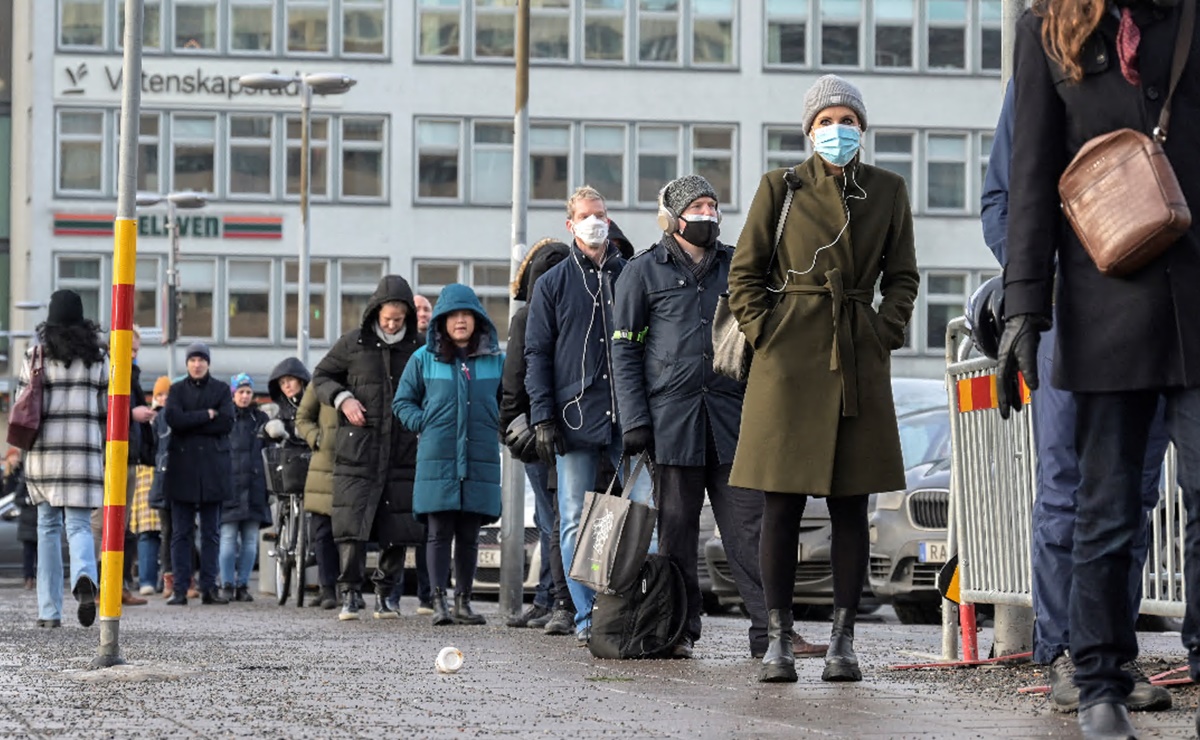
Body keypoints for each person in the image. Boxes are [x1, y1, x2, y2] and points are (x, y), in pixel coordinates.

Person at [999, 2, 1200, 736]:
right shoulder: (1046, 27)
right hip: (1106, 305)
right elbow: (1031, 179)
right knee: (1106, 508)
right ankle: (1101, 683)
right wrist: (1025, 309)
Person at [980, 80, 1171, 713]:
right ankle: (1065, 652)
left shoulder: (1169, 59)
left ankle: (1111, 656)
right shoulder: (1051, 63)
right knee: (1066, 488)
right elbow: (1002, 203)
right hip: (1070, 316)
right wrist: (1041, 287)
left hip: (1154, 314)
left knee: (1133, 495)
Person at [728, 75, 918, 683]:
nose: (838, 130)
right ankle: (779, 638)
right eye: (826, 121)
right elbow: (744, 274)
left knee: (850, 507)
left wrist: (882, 332)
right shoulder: (778, 187)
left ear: (862, 128)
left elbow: (905, 277)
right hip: (787, 366)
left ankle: (843, 640)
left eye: (848, 120)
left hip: (857, 359)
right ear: (809, 131)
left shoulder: (888, 190)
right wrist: (768, 336)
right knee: (779, 506)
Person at [613, 174, 807, 661]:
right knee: (676, 532)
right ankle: (678, 630)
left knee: (751, 529)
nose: (707, 214)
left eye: (712, 206)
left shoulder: (737, 265)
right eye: (697, 206)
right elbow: (625, 353)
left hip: (731, 421)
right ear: (675, 217)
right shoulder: (642, 272)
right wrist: (635, 419)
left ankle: (773, 634)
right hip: (671, 422)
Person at [524, 185, 656, 644]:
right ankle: (585, 617)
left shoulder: (632, 274)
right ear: (570, 223)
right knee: (575, 518)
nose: (595, 221)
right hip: (574, 418)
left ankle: (644, 611)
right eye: (586, 214)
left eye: (600, 213)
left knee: (642, 512)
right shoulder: (553, 283)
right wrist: (542, 415)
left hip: (630, 417)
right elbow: (536, 354)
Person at [313, 275, 424, 621]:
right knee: (352, 523)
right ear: (375, 312)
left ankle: (386, 594)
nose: (392, 324)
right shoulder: (352, 344)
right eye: (387, 318)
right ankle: (349, 593)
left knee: (397, 525)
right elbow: (321, 377)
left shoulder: (418, 349)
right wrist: (343, 399)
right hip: (358, 449)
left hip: (402, 448)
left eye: (398, 319)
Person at [394, 283, 505, 626]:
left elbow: (510, 403)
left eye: (466, 315)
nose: (460, 321)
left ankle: (464, 602)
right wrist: (422, 423)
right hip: (437, 457)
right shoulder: (422, 359)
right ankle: (438, 600)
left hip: (479, 457)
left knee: (470, 535)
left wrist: (497, 425)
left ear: (478, 320)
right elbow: (402, 402)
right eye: (453, 315)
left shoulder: (495, 360)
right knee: (439, 532)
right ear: (441, 321)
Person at [21, 290, 107, 628]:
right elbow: (104, 411)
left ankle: (49, 611)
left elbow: (22, 404)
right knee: (79, 525)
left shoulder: (36, 356)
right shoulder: (99, 360)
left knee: (47, 528)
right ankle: (85, 577)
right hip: (84, 456)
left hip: (44, 456)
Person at [500, 237, 573, 633]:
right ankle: (554, 599)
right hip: (569, 427)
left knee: (552, 520)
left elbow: (513, 378)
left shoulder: (527, 316)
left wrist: (508, 426)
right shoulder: (576, 308)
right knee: (563, 518)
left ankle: (551, 599)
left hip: (532, 429)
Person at [164, 342, 235, 606]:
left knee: (211, 533)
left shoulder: (221, 389)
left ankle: (209, 588)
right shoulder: (176, 390)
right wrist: (206, 415)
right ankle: (180, 589)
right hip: (182, 469)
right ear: (186, 364)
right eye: (192, 360)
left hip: (212, 470)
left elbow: (227, 422)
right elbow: (173, 419)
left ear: (208, 363)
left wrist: (190, 420)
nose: (197, 364)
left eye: (201, 360)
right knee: (180, 533)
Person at [91, 326, 151, 607]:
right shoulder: (107, 371)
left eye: (137, 350)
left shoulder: (131, 373)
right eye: (131, 349)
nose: (134, 355)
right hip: (110, 454)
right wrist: (133, 414)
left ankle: (117, 585)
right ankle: (96, 582)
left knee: (122, 524)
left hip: (129, 454)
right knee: (102, 522)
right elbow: (105, 409)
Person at [220, 373, 270, 602]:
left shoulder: (259, 419)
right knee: (229, 540)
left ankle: (242, 584)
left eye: (248, 392)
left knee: (250, 542)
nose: (244, 396)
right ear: (233, 393)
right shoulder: (225, 418)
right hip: (230, 486)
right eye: (240, 392)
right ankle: (227, 582)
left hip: (253, 487)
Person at [295, 381, 341, 610]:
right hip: (324, 465)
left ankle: (351, 589)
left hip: (357, 460)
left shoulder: (365, 372)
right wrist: (317, 439)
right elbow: (302, 417)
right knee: (323, 531)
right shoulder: (322, 381)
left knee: (353, 533)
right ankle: (327, 588)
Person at [129, 377, 166, 595]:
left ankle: (167, 579)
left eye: (166, 395)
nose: (163, 399)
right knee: (147, 533)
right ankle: (147, 580)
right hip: (145, 479)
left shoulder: (175, 418)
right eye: (160, 395)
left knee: (170, 533)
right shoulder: (146, 419)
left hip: (168, 478)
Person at [6, 448, 37, 590]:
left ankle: (38, 578)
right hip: (27, 522)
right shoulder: (24, 478)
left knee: (42, 554)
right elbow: (17, 499)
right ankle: (28, 578)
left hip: (40, 522)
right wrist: (27, 500)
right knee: (28, 553)